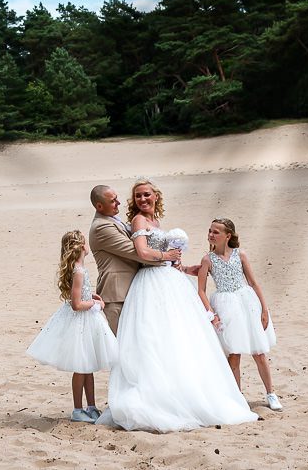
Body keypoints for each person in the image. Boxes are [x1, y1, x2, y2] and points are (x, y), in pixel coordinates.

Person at [95, 180, 259, 432]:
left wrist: (182, 267)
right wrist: (166, 257)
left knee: (177, 336)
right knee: (154, 338)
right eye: (138, 196)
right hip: (150, 283)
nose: (142, 199)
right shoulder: (138, 221)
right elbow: (141, 252)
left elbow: (162, 256)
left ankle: (183, 391)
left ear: (156, 196)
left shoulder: (155, 222)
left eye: (147, 194)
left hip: (169, 279)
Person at [25, 230, 118, 422]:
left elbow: (80, 293)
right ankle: (77, 409)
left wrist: (91, 296)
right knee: (81, 366)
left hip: (87, 320)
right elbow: (76, 305)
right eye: (85, 242)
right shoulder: (78, 270)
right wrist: (95, 304)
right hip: (81, 322)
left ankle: (91, 406)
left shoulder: (80, 268)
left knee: (89, 366)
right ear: (82, 246)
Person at [196, 217, 282, 412]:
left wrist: (264, 308)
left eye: (216, 232)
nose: (211, 235)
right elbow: (201, 290)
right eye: (210, 231)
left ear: (228, 236)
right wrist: (212, 314)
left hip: (247, 304)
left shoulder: (240, 255)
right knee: (234, 355)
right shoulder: (207, 260)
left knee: (259, 352)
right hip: (225, 307)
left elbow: (253, 282)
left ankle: (271, 393)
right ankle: (238, 397)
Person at [87, 183, 179, 335]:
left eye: (117, 198)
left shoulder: (115, 220)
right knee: (124, 342)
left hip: (133, 289)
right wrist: (168, 258)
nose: (118, 203)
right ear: (99, 206)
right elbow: (136, 252)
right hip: (117, 294)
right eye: (112, 201)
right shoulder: (101, 227)